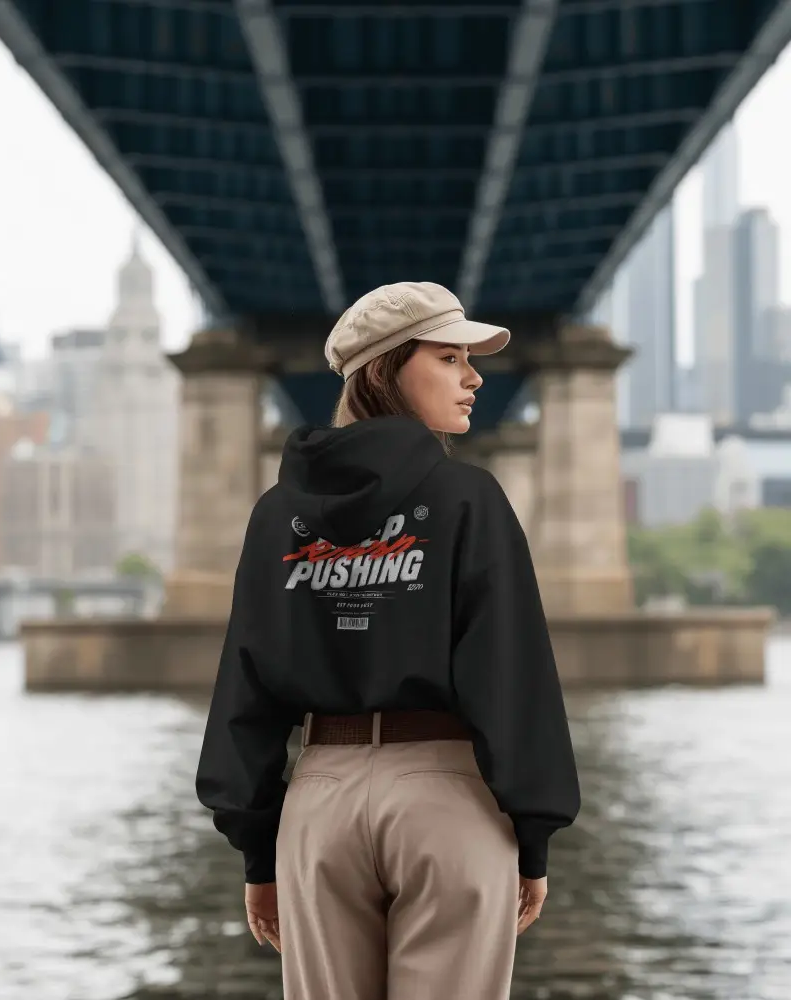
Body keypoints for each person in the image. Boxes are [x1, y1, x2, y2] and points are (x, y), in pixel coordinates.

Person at [195, 280, 581, 1000]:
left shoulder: (277, 514)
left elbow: (245, 687)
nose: (474, 379)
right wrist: (533, 834)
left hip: (321, 800)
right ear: (385, 370)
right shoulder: (470, 500)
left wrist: (258, 851)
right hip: (448, 801)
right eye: (449, 358)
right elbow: (510, 676)